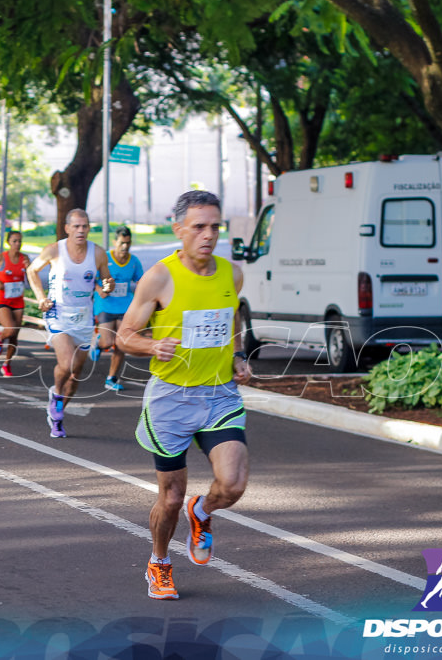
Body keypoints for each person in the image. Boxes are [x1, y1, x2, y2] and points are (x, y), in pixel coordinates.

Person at [115, 190, 252, 601]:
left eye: (215, 226)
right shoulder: (160, 277)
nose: (208, 235)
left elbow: (234, 318)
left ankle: (203, 511)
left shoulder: (233, 273)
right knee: (171, 497)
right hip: (170, 400)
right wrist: (152, 346)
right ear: (179, 230)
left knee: (233, 484)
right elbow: (124, 336)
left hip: (219, 396)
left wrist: (238, 355)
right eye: (199, 227)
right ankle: (159, 562)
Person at [26, 209, 114, 438]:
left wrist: (108, 286)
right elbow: (32, 270)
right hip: (59, 315)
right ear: (67, 228)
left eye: (85, 226)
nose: (81, 230)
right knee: (65, 365)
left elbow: (106, 280)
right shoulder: (55, 250)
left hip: (84, 318)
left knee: (75, 376)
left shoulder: (98, 253)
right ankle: (55, 396)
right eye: (76, 226)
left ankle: (57, 414)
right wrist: (40, 298)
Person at [91, 226, 144, 391]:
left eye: (128, 243)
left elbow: (141, 282)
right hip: (105, 304)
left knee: (122, 343)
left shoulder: (134, 262)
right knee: (108, 341)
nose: (124, 247)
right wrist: (100, 290)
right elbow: (90, 278)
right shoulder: (104, 258)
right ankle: (98, 344)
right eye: (121, 243)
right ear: (115, 242)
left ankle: (111, 378)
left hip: (125, 306)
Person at [0, 230, 30, 377]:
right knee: (9, 330)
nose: (17, 244)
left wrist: (29, 268)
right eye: (14, 241)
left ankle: (6, 364)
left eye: (19, 241)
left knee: (15, 335)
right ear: (8, 242)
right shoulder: (1, 258)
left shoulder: (25, 258)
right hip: (3, 298)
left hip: (17, 299)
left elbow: (30, 280)